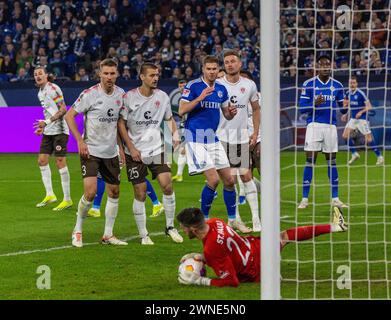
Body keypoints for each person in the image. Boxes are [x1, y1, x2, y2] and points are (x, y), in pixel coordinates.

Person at [176, 206, 347, 287]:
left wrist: (201, 280)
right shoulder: (215, 222)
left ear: (193, 228)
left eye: (183, 227)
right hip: (256, 247)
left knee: (283, 238)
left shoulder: (212, 248)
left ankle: (269, 273)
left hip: (254, 267)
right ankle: (335, 226)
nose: (183, 230)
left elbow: (231, 281)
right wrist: (202, 257)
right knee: (285, 236)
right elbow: (225, 250)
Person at [179, 55, 250, 233]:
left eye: (214, 69)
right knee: (213, 179)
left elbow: (226, 113)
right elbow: (181, 110)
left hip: (212, 137)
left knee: (229, 180)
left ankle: (233, 220)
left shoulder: (221, 89)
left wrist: (231, 113)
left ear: (219, 70)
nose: (211, 72)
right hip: (195, 137)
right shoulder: (193, 86)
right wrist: (200, 98)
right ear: (203, 69)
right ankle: (203, 222)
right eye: (208, 69)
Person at [118, 62, 183, 245]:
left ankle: (170, 227)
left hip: (157, 149)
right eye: (152, 75)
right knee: (140, 192)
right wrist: (130, 148)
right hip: (135, 152)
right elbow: (121, 124)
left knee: (167, 185)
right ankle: (144, 234)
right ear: (142, 77)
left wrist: (175, 135)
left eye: (157, 75)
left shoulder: (162, 97)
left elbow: (169, 119)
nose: (155, 78)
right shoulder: (129, 97)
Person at [64, 58, 127, 248]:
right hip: (90, 150)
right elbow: (69, 116)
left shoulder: (121, 95)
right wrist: (80, 141)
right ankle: (77, 230)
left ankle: (108, 234)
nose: (109, 77)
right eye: (105, 73)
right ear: (99, 74)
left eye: (112, 73)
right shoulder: (89, 94)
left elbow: (117, 123)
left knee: (114, 192)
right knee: (90, 193)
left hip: (111, 152)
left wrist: (121, 149)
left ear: (117, 74)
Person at [216, 50, 261, 232]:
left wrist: (255, 132)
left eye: (233, 61)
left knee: (246, 176)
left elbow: (256, 109)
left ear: (239, 64)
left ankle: (256, 219)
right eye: (226, 62)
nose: (230, 64)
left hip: (240, 138)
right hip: (220, 139)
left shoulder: (249, 85)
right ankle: (235, 219)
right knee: (229, 181)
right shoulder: (217, 85)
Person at [297, 54, 348, 209]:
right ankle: (304, 199)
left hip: (331, 127)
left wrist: (346, 106)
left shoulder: (338, 85)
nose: (325, 67)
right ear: (317, 67)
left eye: (328, 64)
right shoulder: (308, 84)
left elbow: (342, 108)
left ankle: (335, 198)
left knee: (331, 162)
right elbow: (301, 108)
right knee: (310, 161)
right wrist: (314, 103)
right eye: (322, 64)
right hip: (314, 126)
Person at [33, 66, 72, 211]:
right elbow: (49, 112)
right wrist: (43, 126)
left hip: (60, 129)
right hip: (49, 130)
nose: (37, 76)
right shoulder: (40, 93)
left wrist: (47, 122)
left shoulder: (53, 88)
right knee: (42, 160)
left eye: (40, 73)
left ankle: (67, 199)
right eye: (35, 74)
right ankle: (50, 194)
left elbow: (63, 109)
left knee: (60, 161)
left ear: (46, 75)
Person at [341, 76, 384, 165]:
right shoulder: (348, 93)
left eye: (353, 83)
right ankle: (354, 153)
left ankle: (380, 157)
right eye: (350, 83)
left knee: (368, 140)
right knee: (345, 136)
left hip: (362, 120)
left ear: (356, 84)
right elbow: (350, 106)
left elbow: (369, 106)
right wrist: (345, 114)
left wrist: (361, 112)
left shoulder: (361, 93)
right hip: (353, 119)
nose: (352, 85)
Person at [172, 79, 188, 183]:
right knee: (182, 151)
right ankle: (179, 175)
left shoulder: (191, 96)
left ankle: (209, 174)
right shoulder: (181, 98)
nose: (182, 87)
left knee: (184, 151)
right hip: (185, 126)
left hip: (193, 127)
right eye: (180, 86)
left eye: (184, 85)